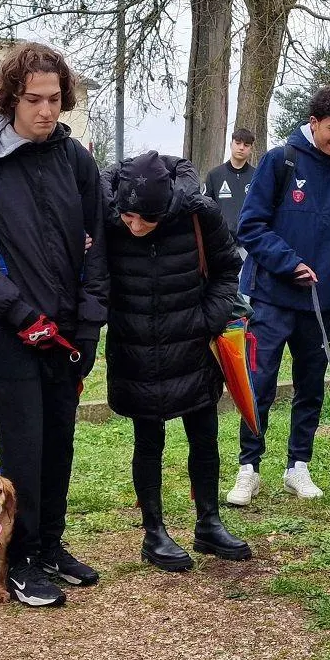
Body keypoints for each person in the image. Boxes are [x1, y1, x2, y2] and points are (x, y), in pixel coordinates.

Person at [0, 42, 110, 608]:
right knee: (24, 449)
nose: (47, 111)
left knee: (60, 445)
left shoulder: (75, 160)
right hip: (15, 333)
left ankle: (47, 545)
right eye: (34, 99)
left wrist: (87, 325)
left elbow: (100, 245)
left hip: (68, 333)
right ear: (10, 98)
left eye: (56, 99)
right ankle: (17, 559)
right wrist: (19, 314)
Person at [102, 151, 251, 570]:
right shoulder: (109, 215)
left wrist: (207, 319)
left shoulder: (197, 215)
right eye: (126, 217)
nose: (132, 226)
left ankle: (209, 523)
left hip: (192, 346)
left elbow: (227, 269)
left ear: (164, 207)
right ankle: (154, 533)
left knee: (204, 437)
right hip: (136, 350)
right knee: (147, 442)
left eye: (142, 219)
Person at [229, 83, 330, 505]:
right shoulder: (279, 161)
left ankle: (297, 466)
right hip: (271, 297)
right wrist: (289, 263)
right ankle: (248, 468)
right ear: (313, 123)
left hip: (319, 307)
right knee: (260, 383)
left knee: (311, 386)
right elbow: (249, 226)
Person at [205, 127, 258, 237]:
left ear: (251, 149)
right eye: (238, 143)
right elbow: (206, 209)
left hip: (250, 241)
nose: (241, 148)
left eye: (246, 145)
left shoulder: (257, 176)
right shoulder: (214, 175)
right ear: (231, 144)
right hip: (221, 241)